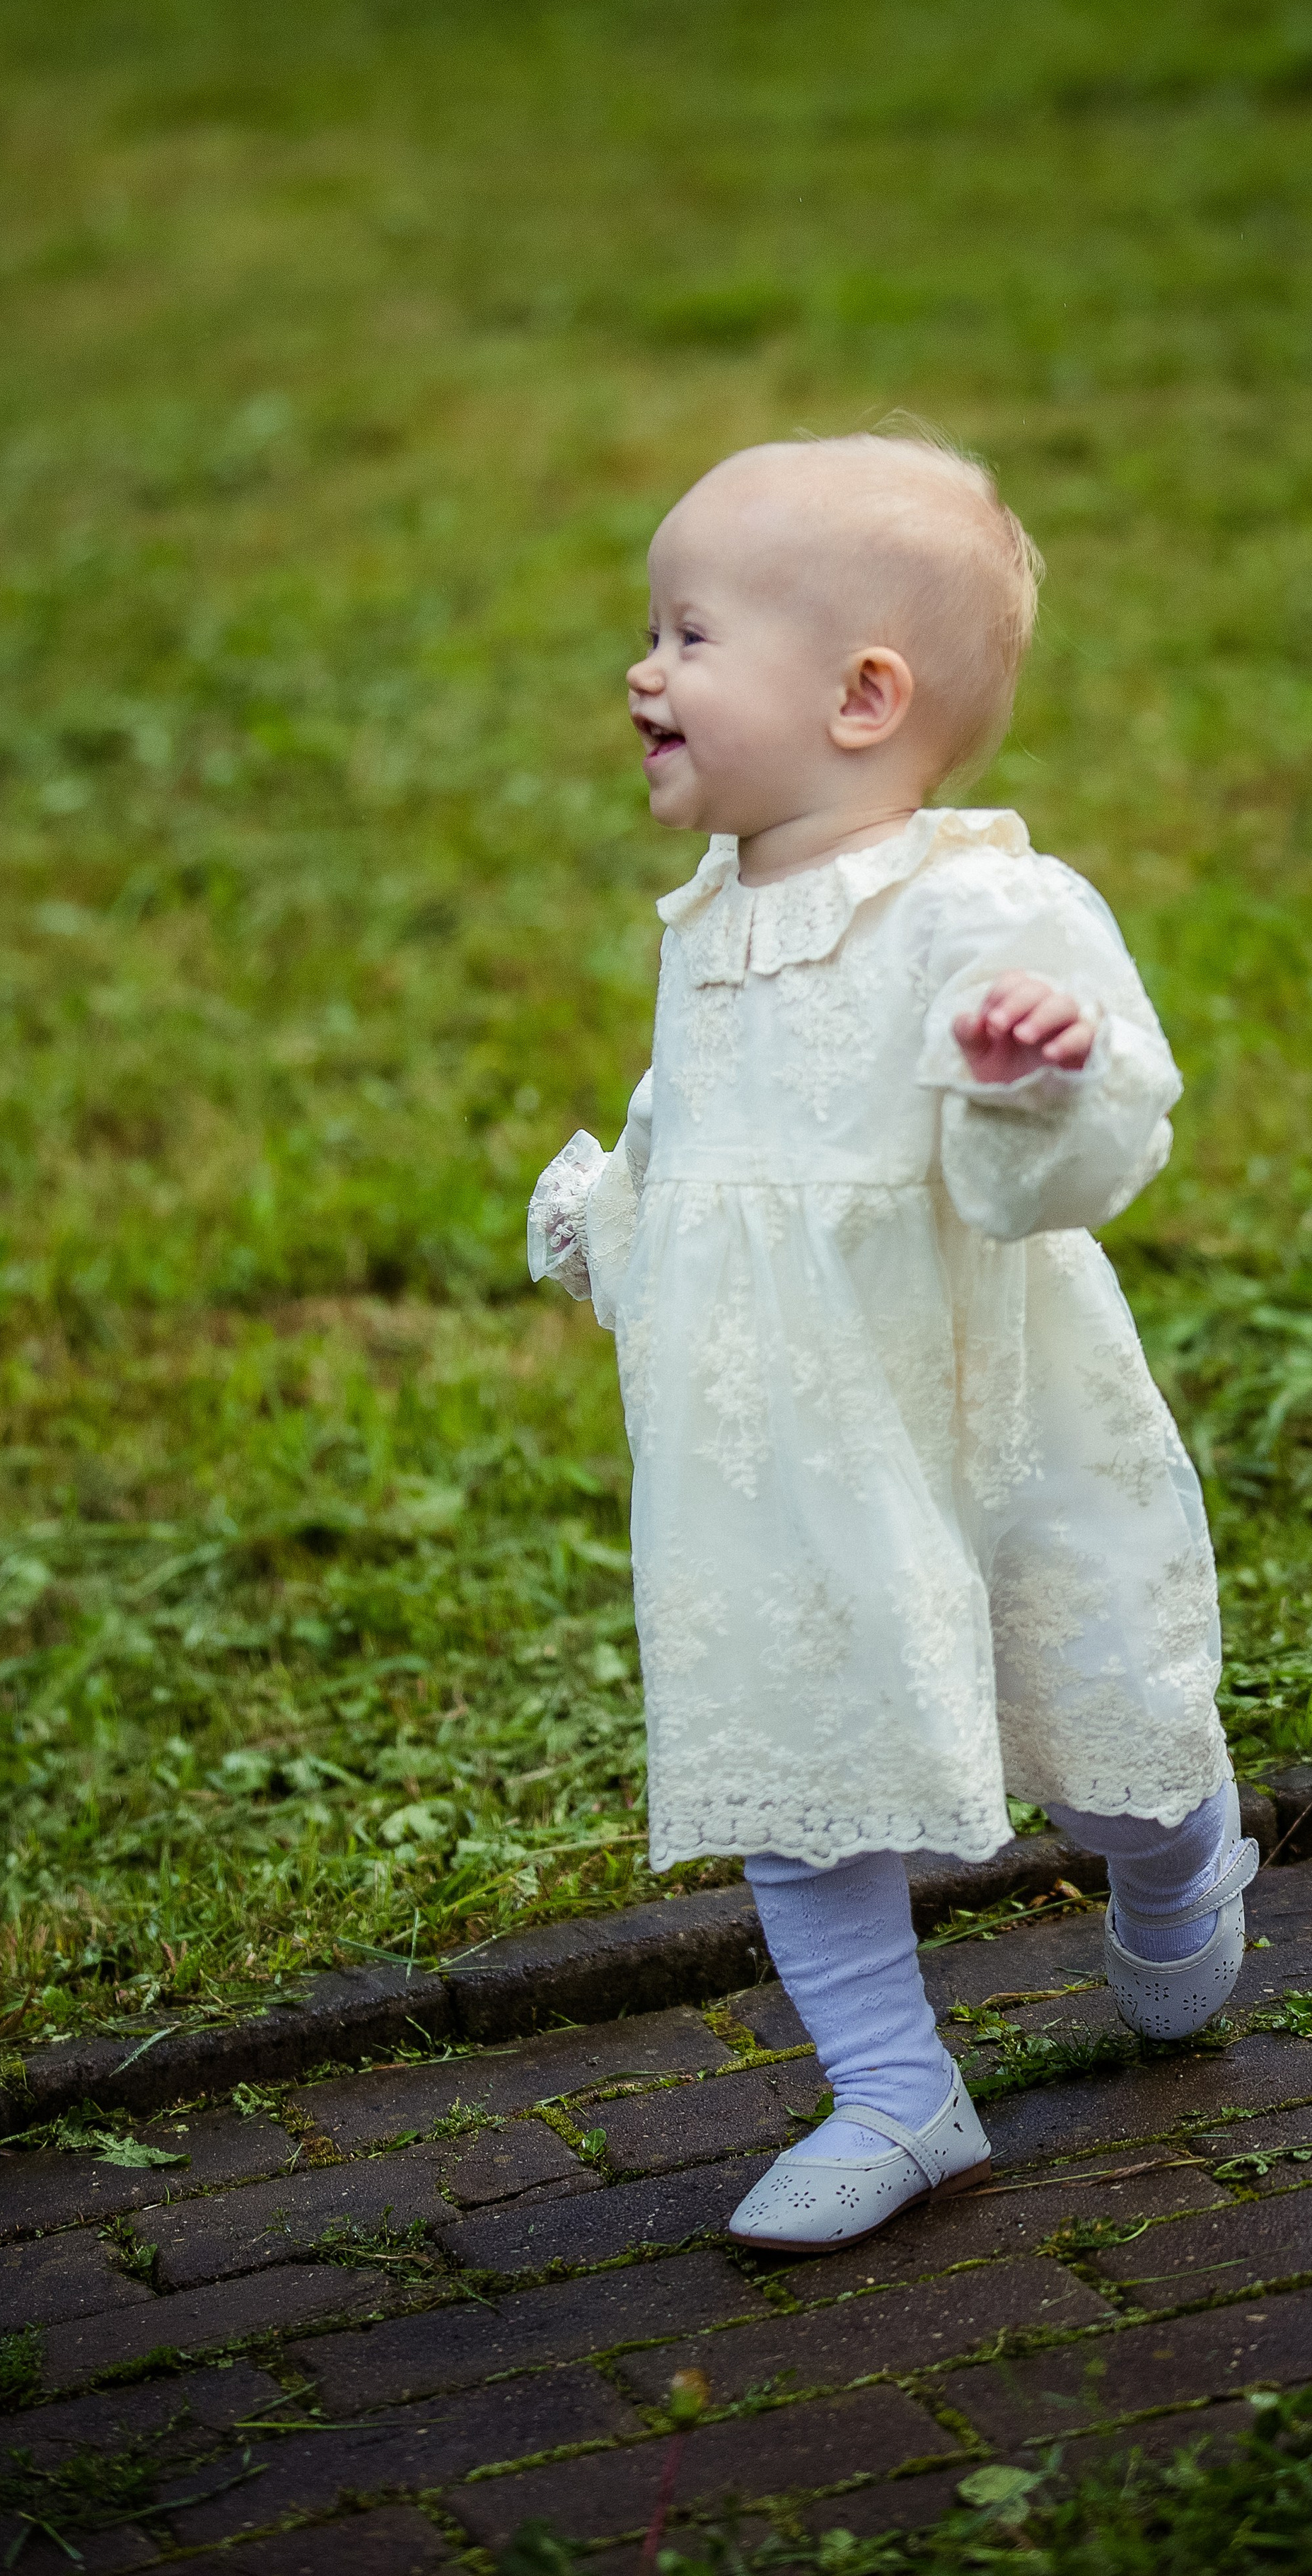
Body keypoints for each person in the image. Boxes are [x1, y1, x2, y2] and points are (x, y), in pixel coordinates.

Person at [528, 430, 1256, 2255]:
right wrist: (624, 1226)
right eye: (650, 629)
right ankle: (892, 2092)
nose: (644, 671)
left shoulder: (988, 909)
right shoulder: (713, 915)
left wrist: (1035, 1079)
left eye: (690, 635)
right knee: (794, 1738)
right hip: (777, 1443)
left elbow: (1075, 1174)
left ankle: (1179, 1870)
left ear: (863, 696)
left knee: (1097, 1717)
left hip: (980, 1412)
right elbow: (718, 1150)